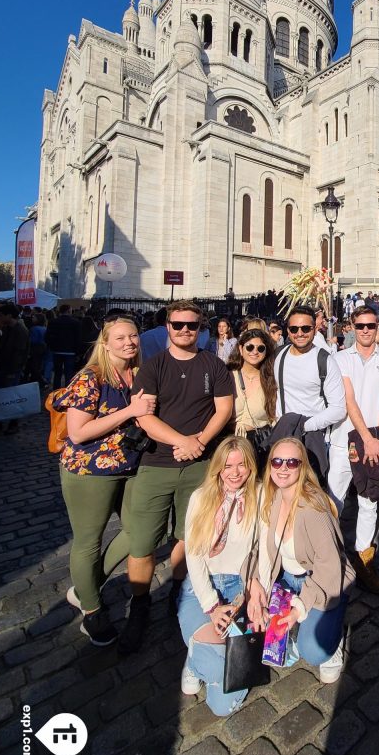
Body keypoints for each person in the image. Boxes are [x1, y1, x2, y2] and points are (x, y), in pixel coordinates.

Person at [118, 300, 234, 655]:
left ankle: (179, 588)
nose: (186, 330)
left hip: (198, 463)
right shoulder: (153, 366)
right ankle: (139, 604)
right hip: (157, 462)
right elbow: (144, 417)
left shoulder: (212, 364)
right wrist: (182, 441)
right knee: (142, 540)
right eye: (179, 324)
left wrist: (198, 442)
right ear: (167, 326)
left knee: (189, 533)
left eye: (192, 325)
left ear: (202, 328)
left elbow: (224, 408)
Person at [56, 318, 156, 645]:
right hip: (89, 469)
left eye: (133, 336)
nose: (129, 342)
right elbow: (78, 432)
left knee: (139, 530)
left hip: (129, 465)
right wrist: (130, 411)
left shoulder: (138, 374)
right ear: (105, 342)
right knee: (89, 540)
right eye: (121, 337)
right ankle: (92, 610)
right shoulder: (90, 378)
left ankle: (87, 584)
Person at [248, 438, 353, 683]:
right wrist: (253, 581)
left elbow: (329, 568)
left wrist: (300, 607)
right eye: (277, 461)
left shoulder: (313, 508)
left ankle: (333, 636)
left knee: (313, 651)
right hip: (286, 577)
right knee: (254, 621)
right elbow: (256, 546)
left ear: (302, 467)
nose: (283, 468)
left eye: (292, 462)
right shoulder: (271, 497)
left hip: (324, 580)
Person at [178, 436, 259, 715]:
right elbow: (194, 557)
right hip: (202, 588)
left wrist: (254, 587)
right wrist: (212, 606)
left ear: (250, 466)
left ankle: (201, 659)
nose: (234, 472)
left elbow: (263, 551)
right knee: (218, 666)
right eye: (227, 465)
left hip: (239, 588)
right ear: (217, 468)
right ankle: (196, 660)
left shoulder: (260, 496)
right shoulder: (201, 498)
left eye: (241, 465)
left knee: (223, 705)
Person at [329, 306, 379, 593]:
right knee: (335, 500)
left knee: (369, 503)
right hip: (343, 441)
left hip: (375, 442)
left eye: (371, 325)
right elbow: (348, 400)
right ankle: (329, 556)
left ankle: (363, 558)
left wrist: (378, 438)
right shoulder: (339, 358)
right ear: (351, 326)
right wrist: (367, 438)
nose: (366, 330)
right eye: (360, 326)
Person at [271, 306, 346, 478]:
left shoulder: (325, 360)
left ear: (314, 329)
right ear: (287, 331)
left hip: (312, 438)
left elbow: (339, 408)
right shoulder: (279, 355)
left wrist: (304, 426)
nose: (300, 333)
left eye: (305, 328)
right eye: (294, 329)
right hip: (283, 436)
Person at [227, 329, 277, 465]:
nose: (255, 352)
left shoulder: (271, 379)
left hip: (260, 443)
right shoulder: (227, 375)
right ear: (240, 348)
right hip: (228, 441)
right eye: (249, 347)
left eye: (260, 348)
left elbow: (275, 415)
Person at [0, 303, 30, 434]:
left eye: (1, 315)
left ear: (9, 315)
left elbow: (19, 352)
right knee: (1, 396)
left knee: (12, 397)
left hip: (11, 369)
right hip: (4, 366)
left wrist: (14, 370)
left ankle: (13, 423)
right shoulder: (7, 328)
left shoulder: (20, 330)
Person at [46, 304, 82, 388]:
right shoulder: (75, 322)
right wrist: (77, 352)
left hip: (56, 351)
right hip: (70, 352)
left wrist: (52, 347)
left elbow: (48, 336)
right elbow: (78, 338)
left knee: (57, 374)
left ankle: (56, 391)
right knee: (68, 374)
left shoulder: (53, 322)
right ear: (69, 311)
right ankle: (68, 392)